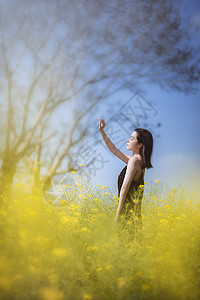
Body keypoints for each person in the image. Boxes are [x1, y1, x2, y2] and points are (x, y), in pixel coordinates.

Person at [99, 118, 153, 232]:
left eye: (131, 138)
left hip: (126, 215)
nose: (128, 140)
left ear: (139, 144)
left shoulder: (134, 161)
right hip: (134, 216)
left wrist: (117, 215)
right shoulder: (138, 161)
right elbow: (114, 149)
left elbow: (124, 188)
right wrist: (102, 131)